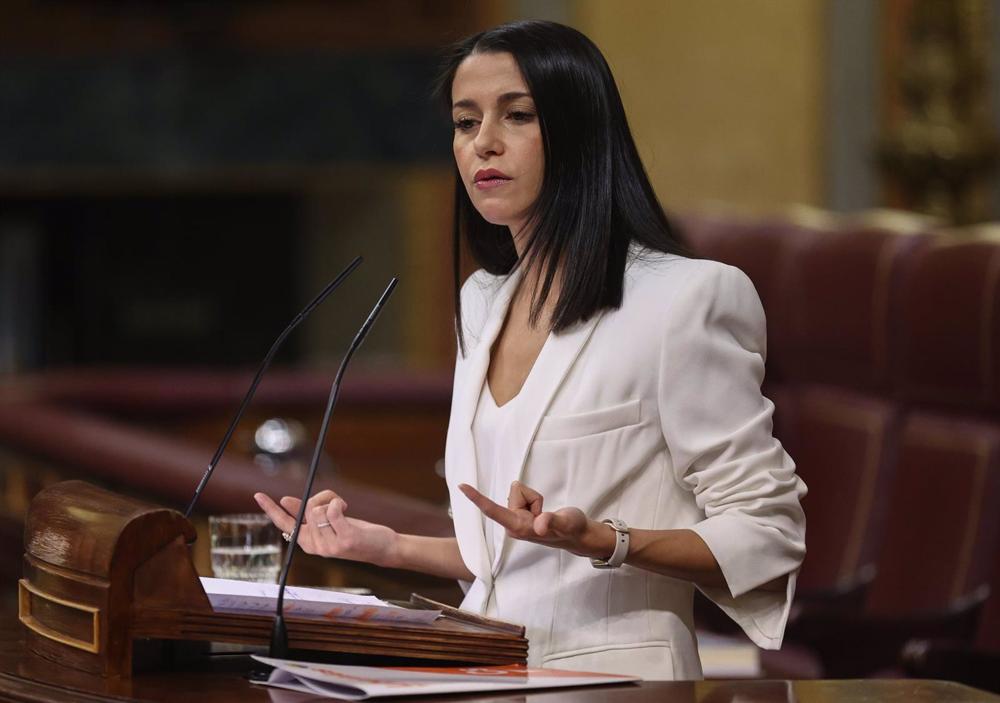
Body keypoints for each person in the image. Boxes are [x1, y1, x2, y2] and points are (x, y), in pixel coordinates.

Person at [254, 20, 806, 680]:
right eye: (464, 122)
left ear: (579, 131)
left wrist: (606, 539)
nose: (483, 142)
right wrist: (386, 545)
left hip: (620, 684)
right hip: (484, 672)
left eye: (516, 115)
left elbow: (768, 534)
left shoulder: (686, 299)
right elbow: (511, 555)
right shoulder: (483, 300)